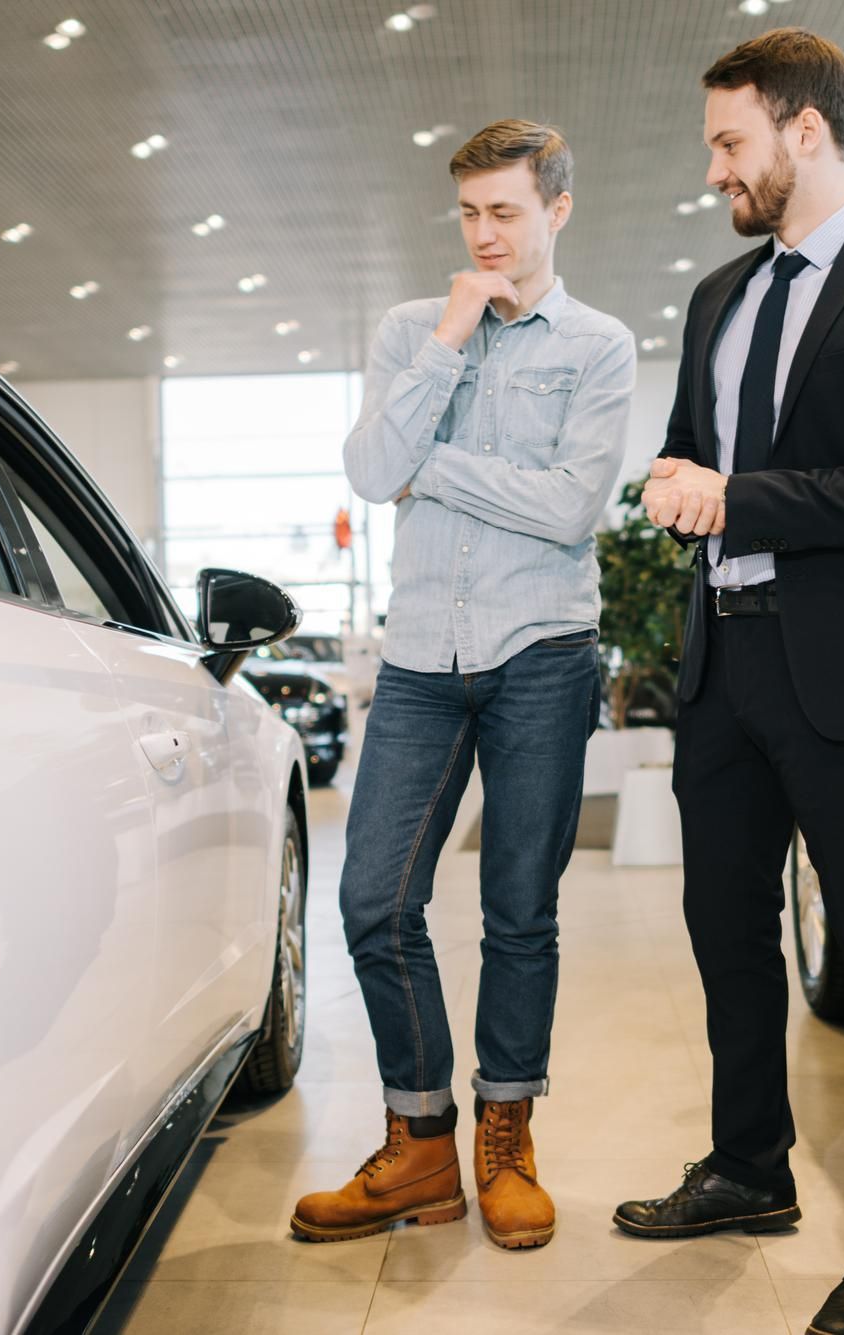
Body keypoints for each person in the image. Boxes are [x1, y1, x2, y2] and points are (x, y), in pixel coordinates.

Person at [611, 29, 844, 1335]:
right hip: (723, 664)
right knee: (727, 935)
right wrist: (671, 482)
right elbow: (688, 452)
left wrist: (740, 496)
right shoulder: (718, 300)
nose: (714, 165)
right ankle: (748, 1167)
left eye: (731, 142)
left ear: (806, 133)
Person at [291, 120, 635, 1252]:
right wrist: (446, 341)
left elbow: (570, 507)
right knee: (372, 900)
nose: (486, 235)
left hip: (541, 653)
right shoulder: (410, 332)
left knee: (517, 913)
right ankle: (419, 1141)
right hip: (421, 661)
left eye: (506, 212)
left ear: (556, 210)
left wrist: (426, 468)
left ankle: (506, 1137)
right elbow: (367, 474)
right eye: (470, 214)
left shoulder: (597, 346)